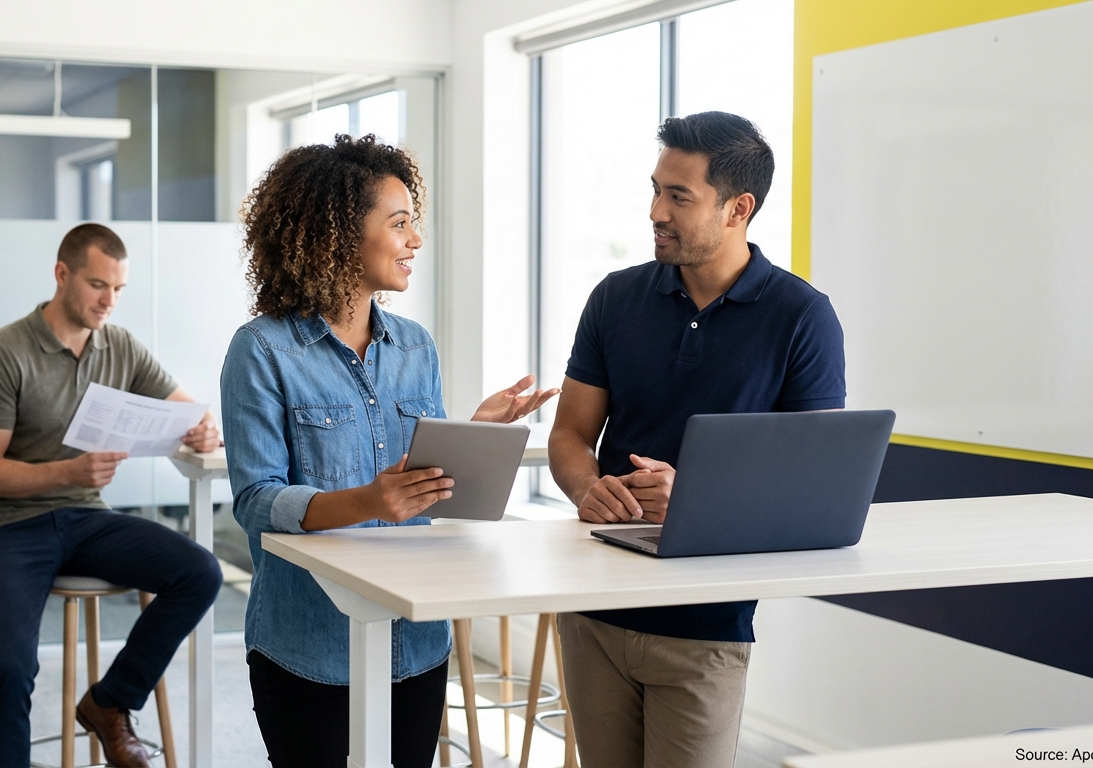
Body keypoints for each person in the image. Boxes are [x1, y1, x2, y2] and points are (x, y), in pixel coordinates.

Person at [220, 134, 557, 768]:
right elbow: (256, 501)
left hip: (416, 637)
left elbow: (421, 484)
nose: (416, 241)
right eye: (399, 224)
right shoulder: (262, 350)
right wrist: (365, 501)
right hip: (309, 644)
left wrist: (472, 435)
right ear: (338, 233)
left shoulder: (415, 346)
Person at [547, 112, 846, 768]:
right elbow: (570, 432)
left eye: (678, 196)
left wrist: (695, 497)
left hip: (706, 625)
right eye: (655, 189)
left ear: (740, 208)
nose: (656, 210)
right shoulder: (614, 298)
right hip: (593, 607)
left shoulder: (802, 318)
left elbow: (813, 489)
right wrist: (587, 488)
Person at [0, 223, 223, 768]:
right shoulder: (2, 353)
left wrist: (203, 428)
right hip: (1, 526)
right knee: (9, 671)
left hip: (82, 518)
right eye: (99, 285)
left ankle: (110, 703)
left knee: (200, 572)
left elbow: (186, 407)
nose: (110, 301)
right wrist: (70, 472)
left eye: (119, 289)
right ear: (62, 275)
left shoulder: (119, 345)